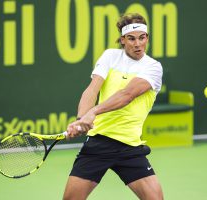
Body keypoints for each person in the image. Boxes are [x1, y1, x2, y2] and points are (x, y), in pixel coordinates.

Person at [63, 13, 164, 200]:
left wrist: (93, 111)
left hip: (130, 146)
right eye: (131, 39)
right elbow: (92, 90)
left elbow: (127, 95)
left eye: (142, 38)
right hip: (99, 143)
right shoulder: (110, 56)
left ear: (147, 38)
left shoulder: (153, 67)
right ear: (122, 40)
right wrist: (80, 120)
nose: (137, 44)